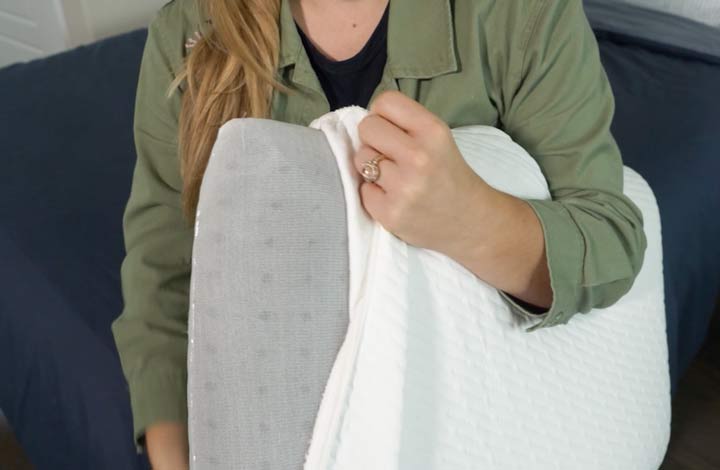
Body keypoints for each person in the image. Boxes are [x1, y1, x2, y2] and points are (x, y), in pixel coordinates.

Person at [111, 0, 647, 468]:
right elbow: (165, 275)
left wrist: (470, 220)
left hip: (451, 420)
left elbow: (610, 241)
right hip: (267, 418)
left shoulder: (518, 12)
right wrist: (179, 459)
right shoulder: (187, 30)